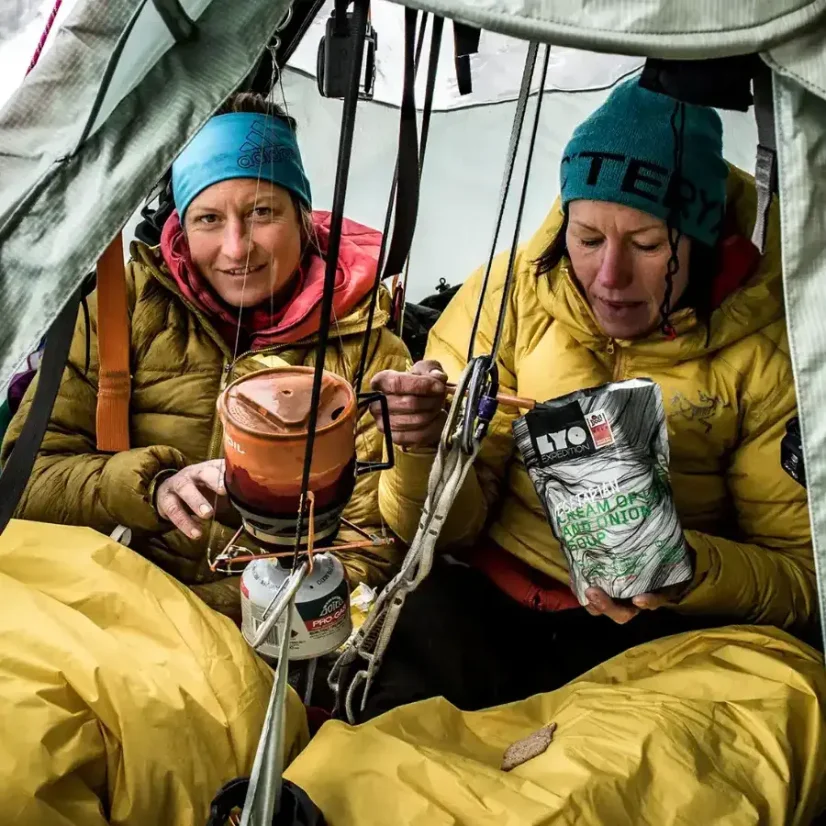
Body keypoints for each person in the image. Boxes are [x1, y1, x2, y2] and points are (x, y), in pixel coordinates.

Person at [366, 78, 817, 719]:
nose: (609, 278)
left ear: (705, 241)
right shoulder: (509, 294)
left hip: (661, 638)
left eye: (649, 244)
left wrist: (690, 567)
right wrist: (421, 446)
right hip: (488, 599)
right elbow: (438, 533)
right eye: (588, 239)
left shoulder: (771, 353)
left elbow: (804, 581)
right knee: (397, 735)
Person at [2, 92, 410, 620]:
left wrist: (201, 618)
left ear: (303, 215)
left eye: (262, 211)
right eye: (209, 219)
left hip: (255, 639)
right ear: (180, 223)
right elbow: (23, 481)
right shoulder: (118, 308)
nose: (237, 249)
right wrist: (148, 487)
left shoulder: (369, 344)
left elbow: (375, 547)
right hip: (103, 607)